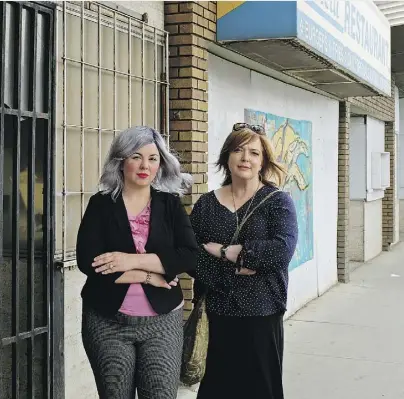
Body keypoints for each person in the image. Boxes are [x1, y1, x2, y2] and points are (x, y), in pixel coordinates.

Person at [76, 126, 198, 399]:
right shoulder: (101, 204)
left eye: (153, 159)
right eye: (136, 157)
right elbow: (88, 261)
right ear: (121, 162)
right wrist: (147, 274)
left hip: (163, 321)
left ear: (161, 164)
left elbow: (190, 256)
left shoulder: (170, 205)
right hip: (107, 321)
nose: (145, 166)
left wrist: (128, 261)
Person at [190, 123, 299, 399]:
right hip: (217, 312)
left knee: (260, 390)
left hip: (262, 314)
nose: (245, 158)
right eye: (238, 150)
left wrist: (225, 251)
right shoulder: (206, 204)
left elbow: (281, 251)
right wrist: (238, 268)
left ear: (263, 161)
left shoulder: (278, 201)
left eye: (253, 153)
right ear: (227, 156)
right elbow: (192, 255)